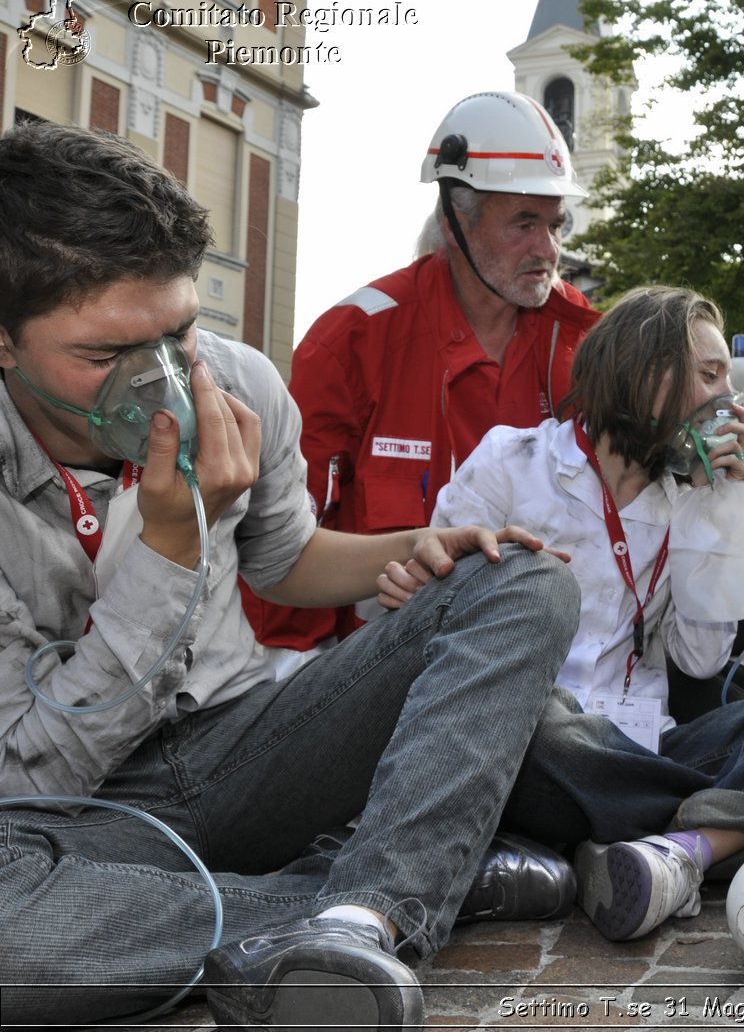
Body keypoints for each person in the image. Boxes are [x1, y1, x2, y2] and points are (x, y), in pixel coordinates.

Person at [0, 121, 593, 1029]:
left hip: (244, 745)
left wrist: (423, 547)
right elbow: (27, 782)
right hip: (79, 809)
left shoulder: (235, 380)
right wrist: (169, 548)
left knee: (518, 578)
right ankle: (391, 895)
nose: (160, 381)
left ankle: (360, 912)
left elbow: (287, 559)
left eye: (179, 333)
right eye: (103, 355)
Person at [380, 285, 744, 941]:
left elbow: (702, 659)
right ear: (650, 376)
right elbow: (443, 634)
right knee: (536, 722)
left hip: (647, 750)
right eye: (710, 375)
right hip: (537, 750)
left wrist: (717, 505)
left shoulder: (683, 496)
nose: (729, 399)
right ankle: (714, 832)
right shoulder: (512, 463)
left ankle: (665, 849)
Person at [242, 90, 600, 658]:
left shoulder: (584, 347)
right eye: (525, 224)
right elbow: (280, 539)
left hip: (551, 662)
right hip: (378, 672)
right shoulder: (354, 340)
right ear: (457, 217)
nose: (548, 249)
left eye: (556, 225)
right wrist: (297, 681)